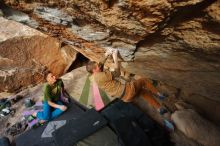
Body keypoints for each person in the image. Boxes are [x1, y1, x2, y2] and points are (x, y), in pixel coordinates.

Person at [86, 49, 167, 114]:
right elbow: (117, 73)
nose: (99, 66)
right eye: (97, 66)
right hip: (127, 91)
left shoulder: (96, 76)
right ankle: (159, 94)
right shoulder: (101, 76)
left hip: (126, 98)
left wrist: (106, 55)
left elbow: (100, 65)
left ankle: (159, 108)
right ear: (94, 70)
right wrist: (115, 58)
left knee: (142, 92)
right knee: (143, 80)